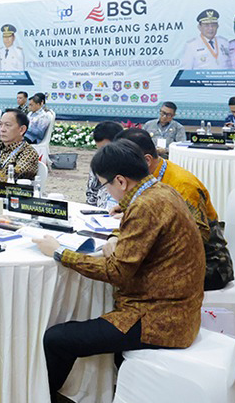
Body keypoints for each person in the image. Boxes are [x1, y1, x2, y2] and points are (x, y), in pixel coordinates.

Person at [36, 139, 204, 398]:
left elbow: (116, 272)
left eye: (105, 185)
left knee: (57, 339)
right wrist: (117, 236)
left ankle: (44, 397)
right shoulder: (161, 191)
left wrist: (60, 252)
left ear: (121, 181)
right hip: (178, 308)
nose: (108, 192)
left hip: (159, 319)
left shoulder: (146, 206)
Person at [117, 129, 232, 290]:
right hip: (172, 258)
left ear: (147, 160)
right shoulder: (150, 177)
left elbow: (196, 239)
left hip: (208, 264)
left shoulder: (182, 186)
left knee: (130, 279)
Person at [84, 121, 125, 209]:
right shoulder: (99, 161)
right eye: (100, 149)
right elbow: (91, 194)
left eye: (107, 148)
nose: (104, 153)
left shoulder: (131, 163)